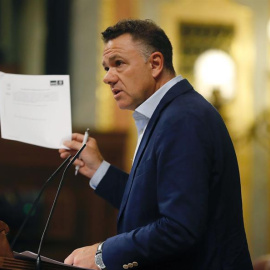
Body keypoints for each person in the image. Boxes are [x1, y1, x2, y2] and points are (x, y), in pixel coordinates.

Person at [59, 19, 253, 270]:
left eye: (119, 64)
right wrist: (99, 170)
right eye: (106, 67)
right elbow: (151, 207)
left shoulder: (184, 119)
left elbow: (178, 228)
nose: (108, 77)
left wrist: (101, 254)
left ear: (155, 64)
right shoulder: (171, 113)